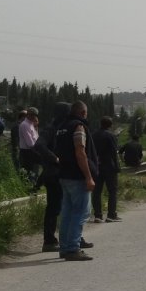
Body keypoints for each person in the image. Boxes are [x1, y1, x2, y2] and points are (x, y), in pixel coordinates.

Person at [54, 100, 97, 261]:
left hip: (64, 175)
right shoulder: (78, 127)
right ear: (83, 113)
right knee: (80, 213)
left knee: (67, 213)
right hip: (77, 176)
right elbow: (80, 151)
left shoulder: (61, 127)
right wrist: (88, 177)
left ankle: (64, 247)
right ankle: (73, 248)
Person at [34, 102, 70, 252]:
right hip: (53, 174)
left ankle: (61, 238)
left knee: (59, 207)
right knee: (54, 208)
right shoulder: (51, 128)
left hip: (57, 174)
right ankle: (49, 241)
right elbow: (39, 145)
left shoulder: (61, 127)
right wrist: (54, 158)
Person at [92, 116, 121, 223]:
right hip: (109, 166)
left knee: (97, 191)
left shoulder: (93, 135)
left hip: (97, 166)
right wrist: (117, 166)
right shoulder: (111, 135)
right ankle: (111, 214)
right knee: (112, 191)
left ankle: (98, 215)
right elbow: (114, 152)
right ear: (110, 125)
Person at [18, 107, 41, 185]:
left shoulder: (31, 124)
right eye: (33, 115)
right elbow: (30, 143)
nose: (34, 117)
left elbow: (36, 138)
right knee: (29, 172)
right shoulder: (25, 125)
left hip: (32, 151)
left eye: (35, 115)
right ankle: (28, 188)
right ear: (28, 114)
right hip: (27, 152)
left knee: (34, 171)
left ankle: (33, 186)